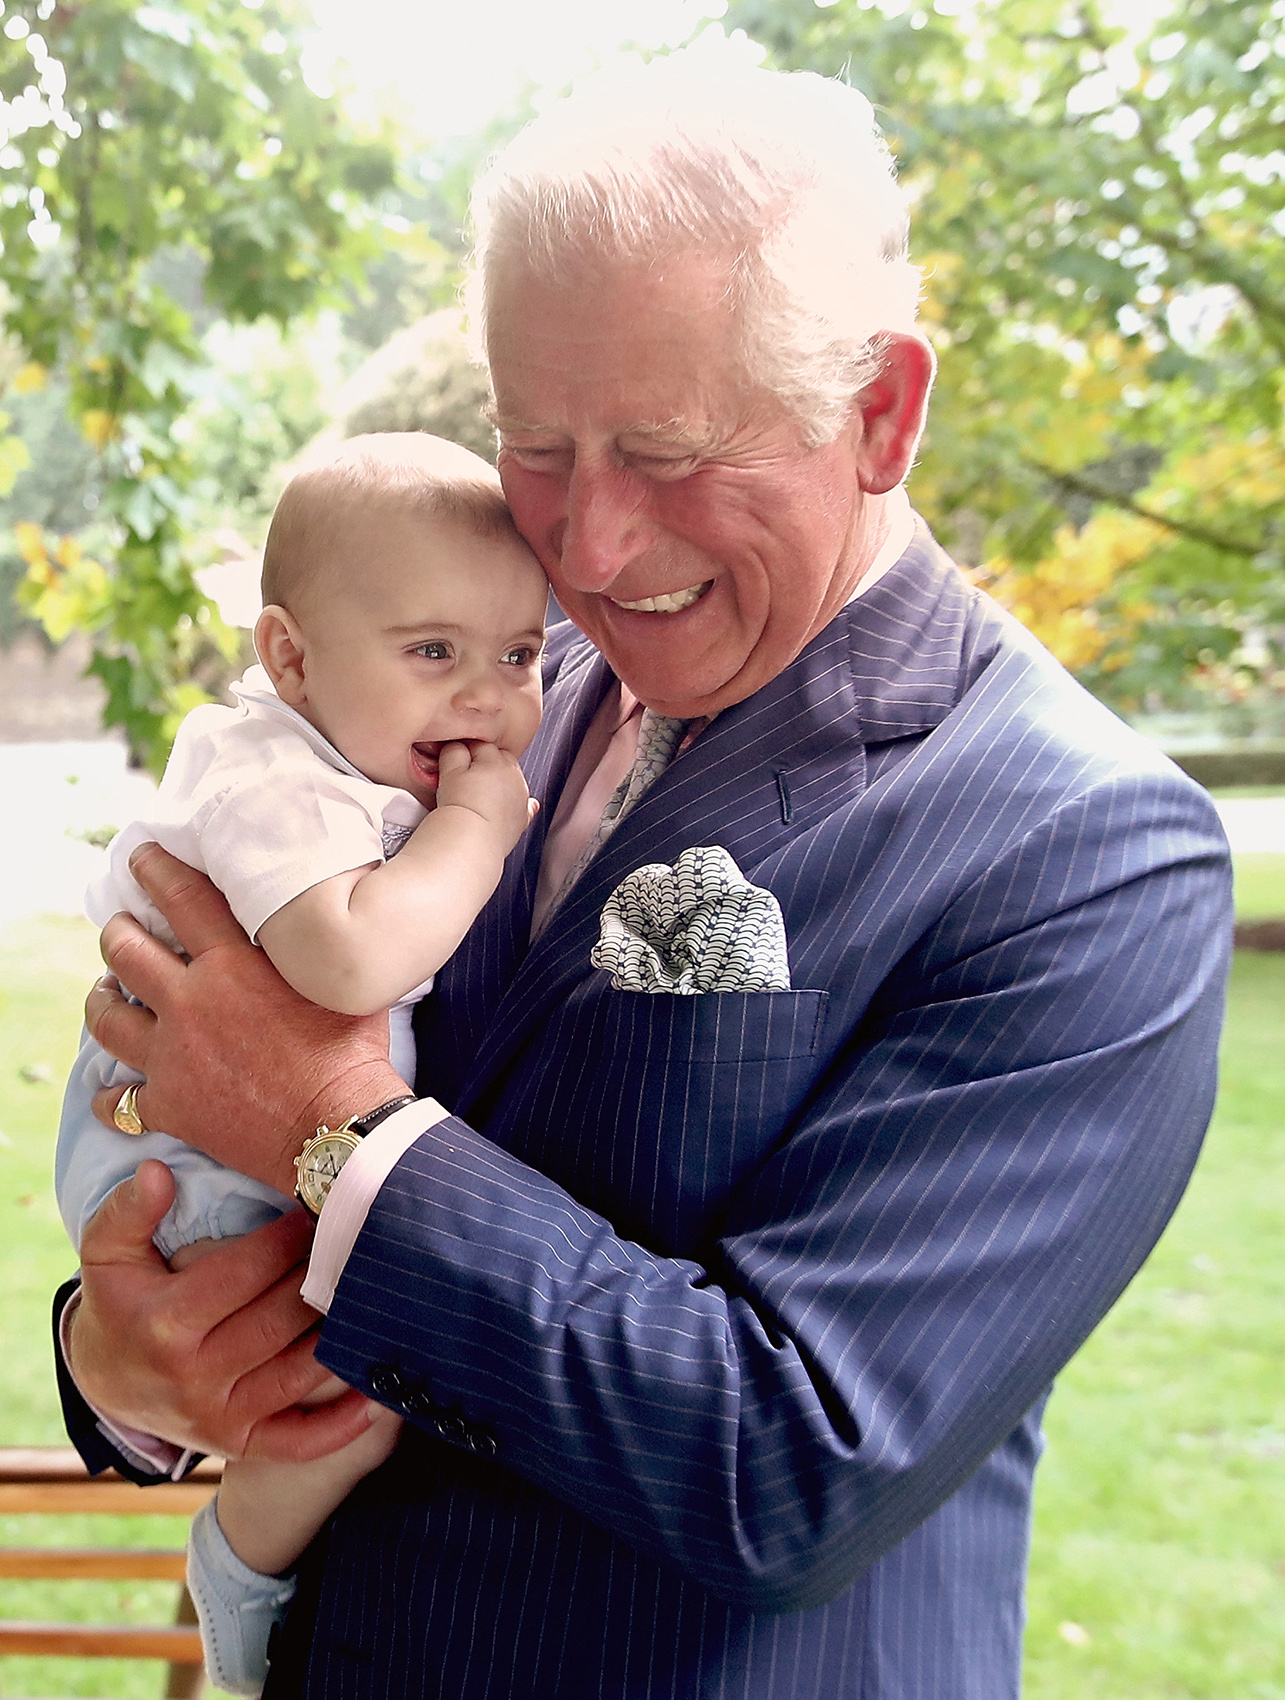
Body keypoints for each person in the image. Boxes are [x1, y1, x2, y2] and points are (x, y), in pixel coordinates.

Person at [54, 60, 1231, 1700]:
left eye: (668, 454)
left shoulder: (1088, 851)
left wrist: (338, 1134)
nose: (587, 550)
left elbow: (793, 1467)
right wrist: (128, 1363)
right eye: (535, 444)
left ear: (883, 411)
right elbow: (224, 1140)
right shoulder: (472, 688)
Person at [56, 431, 547, 1690]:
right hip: (196, 1171)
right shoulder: (273, 776)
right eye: (433, 652)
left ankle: (239, 1556)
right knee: (348, 1396)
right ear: (289, 656)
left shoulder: (359, 747)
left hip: (240, 1154)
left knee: (361, 1386)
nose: (487, 697)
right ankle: (238, 1567)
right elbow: (348, 962)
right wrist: (480, 829)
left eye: (518, 654)